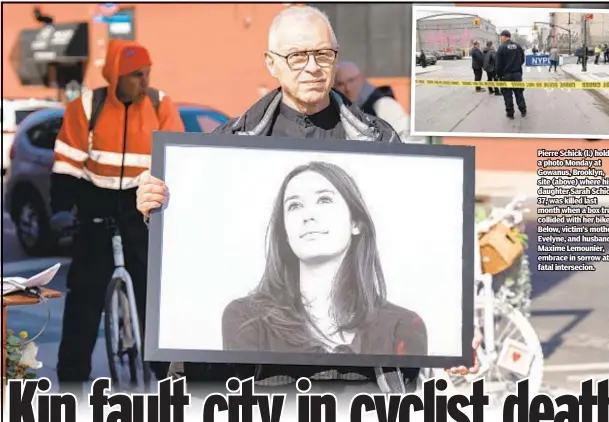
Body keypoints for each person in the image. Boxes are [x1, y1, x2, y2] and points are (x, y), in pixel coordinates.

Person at [136, 5, 481, 395]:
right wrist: (160, 207)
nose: (312, 67)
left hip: (365, 383)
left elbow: (425, 246)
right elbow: (191, 243)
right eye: (297, 56)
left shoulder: (380, 141)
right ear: (271, 63)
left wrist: (454, 324)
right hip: (265, 383)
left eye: (323, 54)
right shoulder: (225, 146)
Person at [50, 39, 185, 391]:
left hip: (140, 210)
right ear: (115, 76)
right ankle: (72, 381)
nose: (143, 81)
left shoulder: (160, 104)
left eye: (147, 73)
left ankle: (165, 379)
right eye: (135, 75)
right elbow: (67, 163)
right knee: (84, 298)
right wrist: (62, 210)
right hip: (95, 208)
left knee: (151, 296)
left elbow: (176, 159)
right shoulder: (86, 106)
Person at [222, 161, 428, 355]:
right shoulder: (245, 319)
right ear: (284, 231)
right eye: (294, 205)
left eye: (324, 200)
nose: (308, 215)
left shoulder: (403, 327)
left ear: (356, 222)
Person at [334, 60, 425, 143]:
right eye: (340, 84)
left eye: (351, 80)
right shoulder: (344, 111)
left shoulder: (382, 104)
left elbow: (413, 141)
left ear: (361, 78)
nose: (347, 88)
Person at [495, 30, 527, 119]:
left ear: (505, 36)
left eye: (501, 37)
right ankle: (523, 110)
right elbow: (522, 60)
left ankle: (510, 113)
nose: (500, 39)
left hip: (506, 76)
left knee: (507, 94)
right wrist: (516, 66)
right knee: (519, 93)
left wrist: (498, 74)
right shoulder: (518, 46)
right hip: (517, 75)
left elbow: (498, 64)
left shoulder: (501, 48)